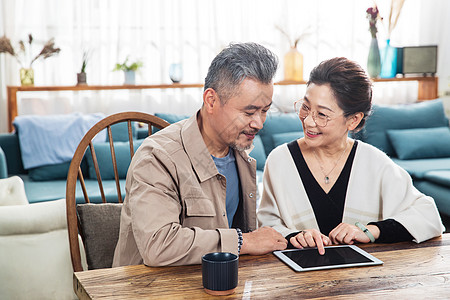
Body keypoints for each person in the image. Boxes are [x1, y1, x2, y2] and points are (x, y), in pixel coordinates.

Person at [113, 42, 287, 267]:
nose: (259, 123)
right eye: (249, 112)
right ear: (211, 100)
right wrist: (244, 241)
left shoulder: (241, 155)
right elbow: (158, 246)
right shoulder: (157, 156)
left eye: (265, 111)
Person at [257, 57, 445, 255]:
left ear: (353, 120)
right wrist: (293, 236)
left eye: (322, 114)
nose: (309, 121)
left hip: (364, 281)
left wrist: (371, 231)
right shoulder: (280, 160)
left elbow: (428, 216)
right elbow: (267, 225)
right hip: (296, 280)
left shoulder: (374, 162)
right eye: (305, 107)